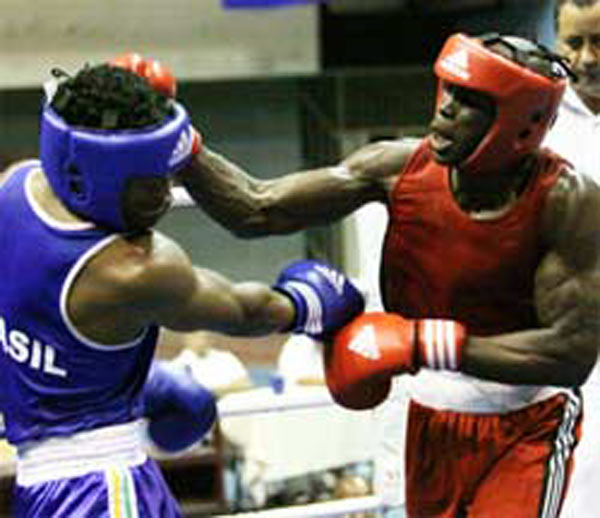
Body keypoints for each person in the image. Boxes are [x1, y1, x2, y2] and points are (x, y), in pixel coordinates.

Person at [177, 32, 600, 517]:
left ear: (519, 123)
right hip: (427, 420)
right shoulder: (396, 168)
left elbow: (571, 354)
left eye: (468, 101)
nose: (445, 110)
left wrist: (423, 343)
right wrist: (185, 150)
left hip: (525, 426)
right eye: (447, 92)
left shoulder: (567, 201)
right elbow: (258, 209)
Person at [0, 60, 365, 517]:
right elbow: (245, 312)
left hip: (38, 489)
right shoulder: (132, 268)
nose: (167, 196)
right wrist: (308, 302)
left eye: (167, 176)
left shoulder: (15, 187)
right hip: (103, 492)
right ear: (89, 175)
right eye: (147, 184)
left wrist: (92, 377)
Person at [542, 2, 600, 517]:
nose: (585, 58)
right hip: (565, 336)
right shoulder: (535, 119)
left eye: (599, 42)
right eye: (573, 43)